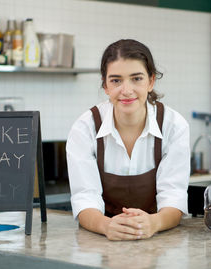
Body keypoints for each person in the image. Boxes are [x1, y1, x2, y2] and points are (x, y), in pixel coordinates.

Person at [66, 39, 190, 241]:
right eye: (116, 80)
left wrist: (154, 222)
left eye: (136, 79)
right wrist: (107, 226)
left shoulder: (174, 126)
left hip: (158, 237)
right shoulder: (85, 127)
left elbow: (174, 196)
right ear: (105, 85)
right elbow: (85, 198)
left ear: (151, 81)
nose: (126, 90)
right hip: (102, 238)